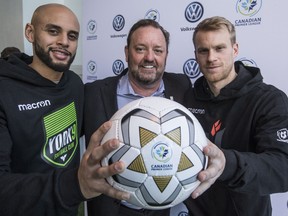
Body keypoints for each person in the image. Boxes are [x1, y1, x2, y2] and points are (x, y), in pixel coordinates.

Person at [0, 4, 129, 216]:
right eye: (53, 31)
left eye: (72, 35)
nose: (64, 42)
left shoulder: (74, 84)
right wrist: (75, 184)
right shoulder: (5, 91)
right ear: (30, 33)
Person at [84, 19, 193, 216]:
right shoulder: (93, 93)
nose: (149, 58)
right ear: (127, 53)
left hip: (162, 208)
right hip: (111, 208)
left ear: (166, 54)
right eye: (140, 49)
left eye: (158, 50)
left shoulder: (182, 86)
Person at [183, 16, 288, 216]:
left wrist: (227, 163)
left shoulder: (268, 100)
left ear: (235, 49)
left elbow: (283, 168)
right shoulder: (187, 99)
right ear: (195, 55)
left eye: (219, 48)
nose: (211, 57)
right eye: (203, 50)